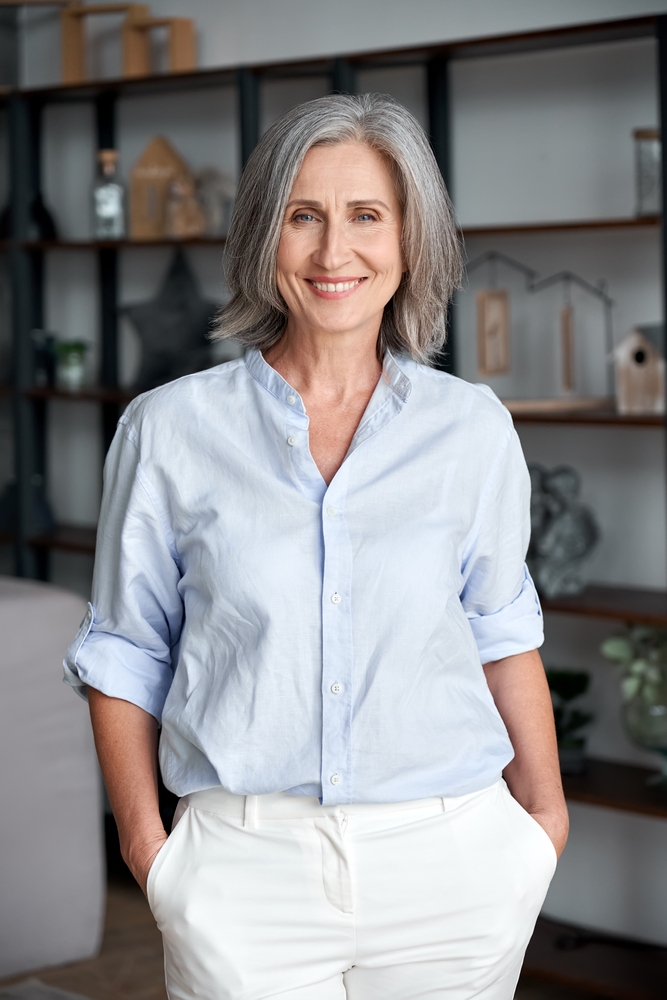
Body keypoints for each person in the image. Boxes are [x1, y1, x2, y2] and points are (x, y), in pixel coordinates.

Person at [64, 93, 568, 1000]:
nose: (334, 254)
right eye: (304, 216)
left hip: (451, 869)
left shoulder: (472, 430)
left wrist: (542, 829)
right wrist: (152, 854)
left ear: (412, 238)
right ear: (265, 236)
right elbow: (125, 652)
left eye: (366, 217)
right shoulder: (168, 430)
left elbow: (500, 630)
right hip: (242, 873)